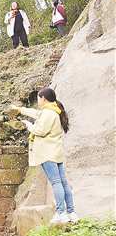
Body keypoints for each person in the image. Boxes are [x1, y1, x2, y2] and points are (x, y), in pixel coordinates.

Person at [11, 87, 78, 225]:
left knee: (56, 183)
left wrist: (29, 125)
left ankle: (61, 213)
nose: (38, 100)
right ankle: (71, 212)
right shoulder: (54, 110)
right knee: (63, 182)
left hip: (47, 153)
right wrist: (20, 109)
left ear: (43, 98)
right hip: (56, 153)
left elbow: (40, 130)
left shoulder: (48, 113)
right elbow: (37, 114)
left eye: (38, 98)